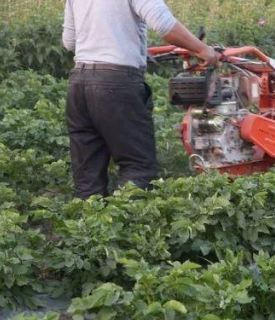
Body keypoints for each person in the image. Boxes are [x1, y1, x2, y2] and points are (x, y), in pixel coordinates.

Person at [62, 0, 219, 199]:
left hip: (79, 84)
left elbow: (69, 42)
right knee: (137, 167)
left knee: (87, 174)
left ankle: (89, 226)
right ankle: (129, 225)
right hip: (116, 83)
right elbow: (163, 24)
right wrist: (203, 49)